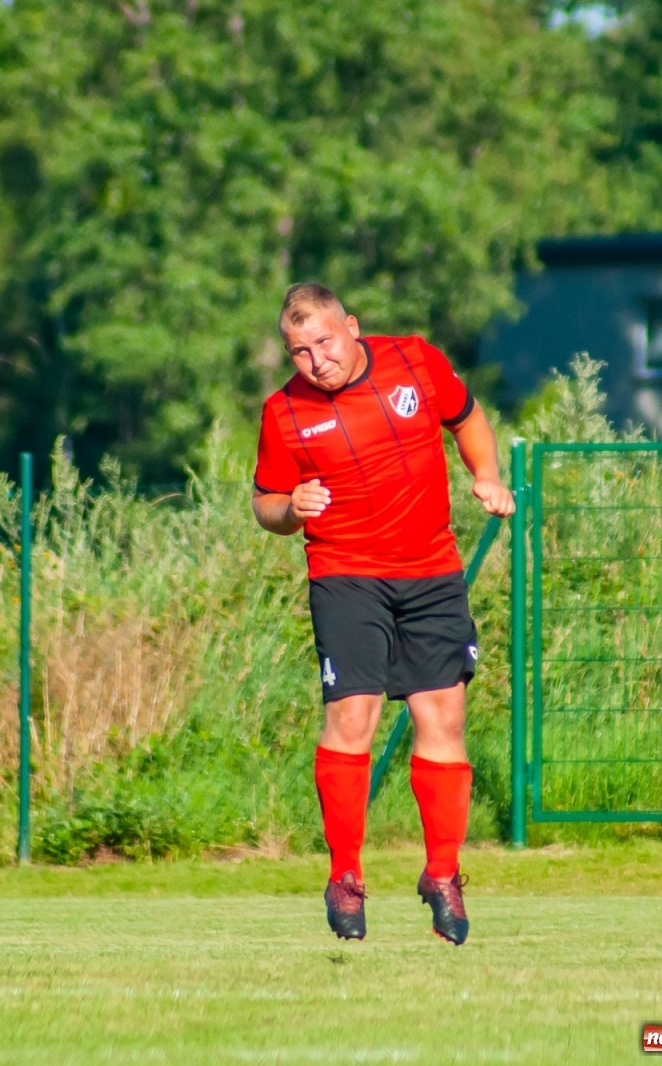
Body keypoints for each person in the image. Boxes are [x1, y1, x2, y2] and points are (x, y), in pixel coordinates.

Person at [251, 283, 514, 945]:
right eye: (299, 350)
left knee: (443, 716)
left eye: (325, 341)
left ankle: (443, 875)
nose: (316, 359)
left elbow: (467, 416)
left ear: (354, 327)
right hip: (346, 575)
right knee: (353, 715)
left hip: (430, 571)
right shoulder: (283, 411)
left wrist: (486, 474)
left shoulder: (416, 361)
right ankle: (345, 876)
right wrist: (292, 508)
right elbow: (265, 505)